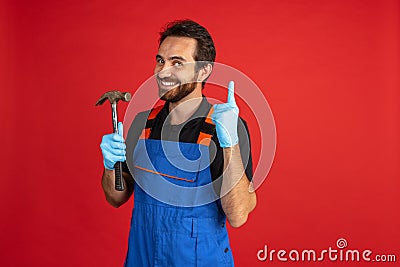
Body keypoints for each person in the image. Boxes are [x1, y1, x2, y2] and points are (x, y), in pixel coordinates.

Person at [100, 19, 256, 267]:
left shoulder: (226, 126)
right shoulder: (143, 123)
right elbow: (116, 197)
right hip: (142, 258)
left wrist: (230, 144)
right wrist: (111, 166)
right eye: (161, 60)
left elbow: (237, 215)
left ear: (203, 71)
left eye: (177, 63)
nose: (163, 71)